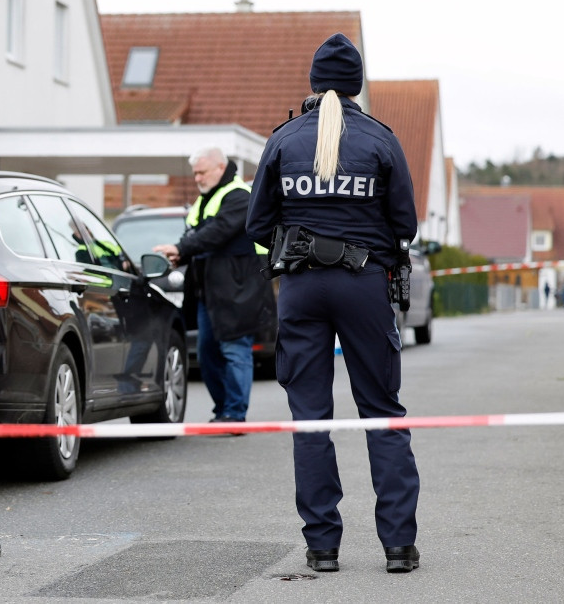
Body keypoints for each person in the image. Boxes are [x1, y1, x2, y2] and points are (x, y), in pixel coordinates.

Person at [245, 33, 421, 574]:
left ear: (314, 82)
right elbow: (406, 226)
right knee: (382, 413)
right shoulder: (381, 140)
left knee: (310, 418)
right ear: (356, 86)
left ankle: (322, 547)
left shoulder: (283, 141)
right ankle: (397, 547)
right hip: (364, 284)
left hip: (301, 288)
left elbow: (256, 225)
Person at [153, 147, 274, 427]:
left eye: (202, 172)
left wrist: (182, 248)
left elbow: (217, 232)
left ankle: (234, 413)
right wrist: (180, 254)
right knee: (207, 353)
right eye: (195, 173)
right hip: (209, 290)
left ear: (220, 168)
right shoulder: (206, 199)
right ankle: (223, 411)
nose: (197, 178)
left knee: (234, 350)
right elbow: (195, 233)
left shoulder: (239, 196)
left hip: (237, 290)